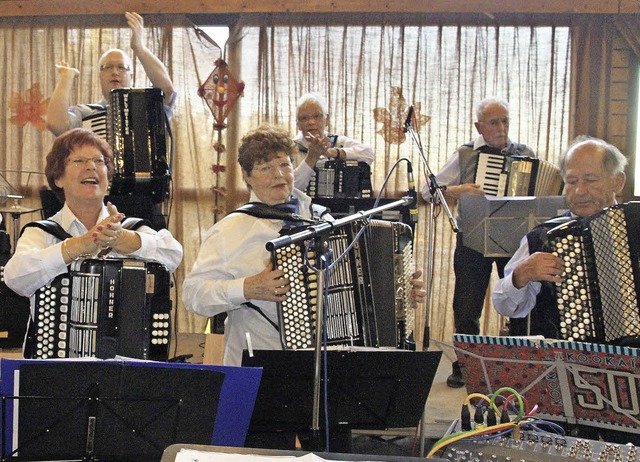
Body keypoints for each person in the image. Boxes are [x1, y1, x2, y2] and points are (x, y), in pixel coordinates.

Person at [182, 124, 426, 367]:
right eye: (266, 168)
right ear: (246, 176)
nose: (279, 174)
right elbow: (193, 296)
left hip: (328, 361)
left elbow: (359, 286)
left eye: (285, 164)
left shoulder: (322, 219)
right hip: (259, 361)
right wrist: (247, 288)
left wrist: (400, 291)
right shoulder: (230, 231)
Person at [4, 128, 183, 354]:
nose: (91, 166)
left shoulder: (129, 227)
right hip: (56, 367)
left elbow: (174, 254)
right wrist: (77, 245)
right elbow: (15, 278)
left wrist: (125, 240)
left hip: (126, 365)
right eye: (78, 161)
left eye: (99, 161)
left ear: (108, 178)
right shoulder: (42, 233)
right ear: (58, 178)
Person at [420, 97, 535, 388]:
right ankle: (466, 366)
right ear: (479, 126)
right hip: (472, 239)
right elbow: (426, 191)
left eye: (505, 121)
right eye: (494, 122)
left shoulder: (525, 154)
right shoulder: (466, 154)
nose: (501, 127)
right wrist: (456, 190)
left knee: (519, 302)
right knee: (466, 307)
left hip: (513, 241)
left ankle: (519, 364)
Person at [491, 136, 626, 338]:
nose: (580, 191)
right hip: (568, 361)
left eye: (590, 180)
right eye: (572, 181)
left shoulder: (631, 227)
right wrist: (520, 275)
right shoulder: (544, 238)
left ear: (618, 182)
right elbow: (504, 306)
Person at [46, 11, 176, 136]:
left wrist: (139, 47)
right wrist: (66, 77)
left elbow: (167, 90)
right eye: (107, 67)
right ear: (100, 76)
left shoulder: (148, 107)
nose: (114, 72)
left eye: (122, 67)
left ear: (132, 77)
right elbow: (56, 125)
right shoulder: (86, 114)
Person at [293, 92, 375, 192]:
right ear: (298, 124)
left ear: (326, 120)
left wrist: (333, 152)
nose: (311, 122)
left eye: (317, 116)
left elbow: (369, 154)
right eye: (304, 118)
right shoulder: (290, 148)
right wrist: (312, 157)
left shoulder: (337, 142)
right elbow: (291, 189)